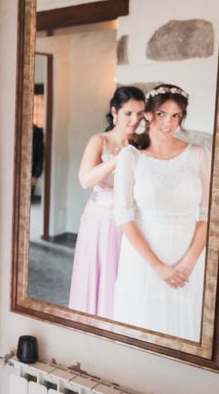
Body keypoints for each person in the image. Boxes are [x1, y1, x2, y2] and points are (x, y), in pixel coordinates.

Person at [113, 84, 210, 340]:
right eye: (162, 114)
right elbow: (123, 216)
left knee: (184, 331)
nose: (169, 123)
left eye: (176, 115)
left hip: (187, 257)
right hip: (144, 260)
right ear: (148, 114)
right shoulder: (131, 157)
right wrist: (157, 266)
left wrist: (188, 264)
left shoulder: (199, 154)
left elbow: (207, 214)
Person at [68, 87, 145, 317]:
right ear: (114, 111)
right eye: (129, 113)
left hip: (131, 222)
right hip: (101, 221)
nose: (135, 120)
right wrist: (117, 160)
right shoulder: (99, 141)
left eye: (140, 114)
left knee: (124, 278)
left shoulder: (143, 142)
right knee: (100, 275)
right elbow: (84, 179)